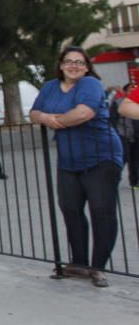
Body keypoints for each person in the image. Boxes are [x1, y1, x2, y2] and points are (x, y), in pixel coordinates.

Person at [35, 47, 124, 288]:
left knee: (101, 211)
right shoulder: (50, 87)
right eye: (69, 61)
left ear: (86, 67)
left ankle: (98, 267)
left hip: (101, 156)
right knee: (70, 208)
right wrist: (46, 118)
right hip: (68, 160)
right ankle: (79, 262)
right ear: (61, 65)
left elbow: (84, 113)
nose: (74, 66)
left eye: (80, 62)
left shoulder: (90, 84)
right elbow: (34, 113)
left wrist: (54, 120)